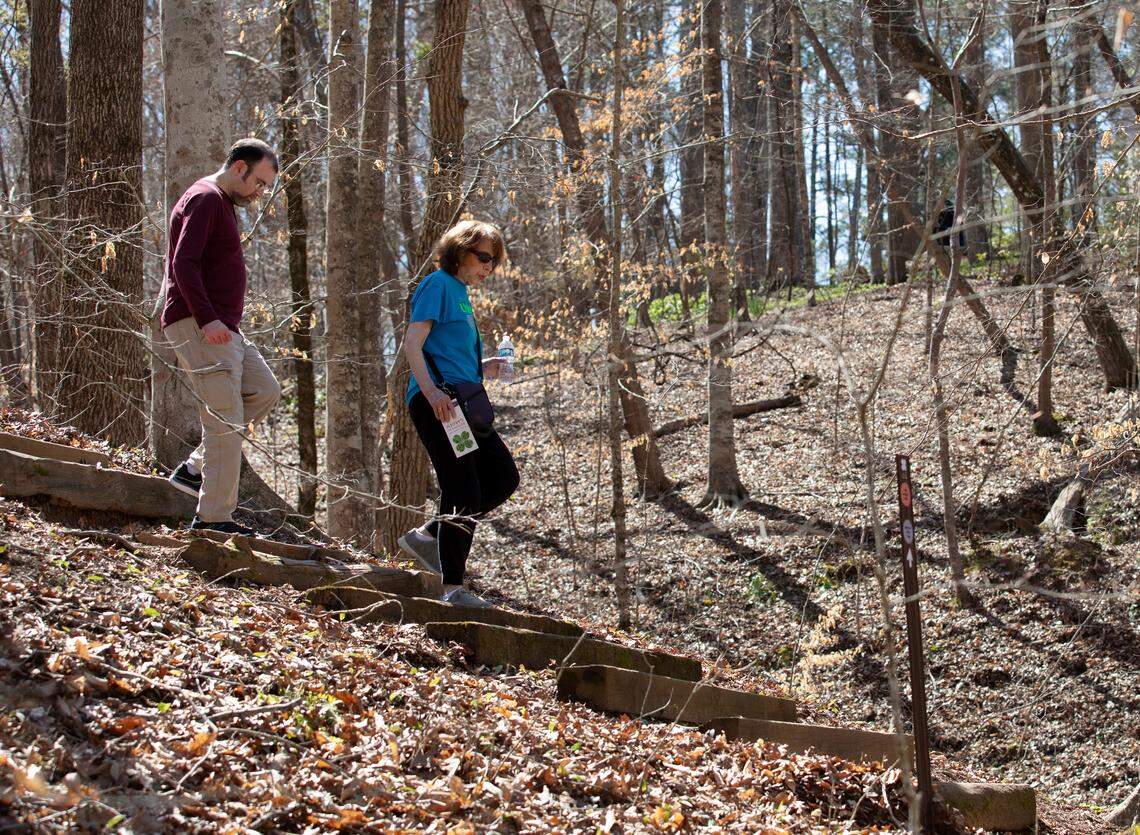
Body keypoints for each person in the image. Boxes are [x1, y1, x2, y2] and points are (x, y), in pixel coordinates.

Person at [160, 138, 282, 535]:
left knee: (264, 389)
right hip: (201, 325)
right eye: (260, 182)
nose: (261, 193)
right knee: (225, 422)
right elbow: (184, 262)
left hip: (224, 329)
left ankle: (194, 469)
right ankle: (213, 519)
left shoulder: (221, 204)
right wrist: (208, 319)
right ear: (240, 168)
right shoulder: (207, 198)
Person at [398, 220, 519, 607]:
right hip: (442, 403)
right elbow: (412, 343)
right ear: (459, 249)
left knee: (501, 478)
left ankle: (429, 534)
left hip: (463, 401)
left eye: (494, 262)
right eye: (483, 256)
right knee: (462, 488)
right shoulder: (438, 284)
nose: (488, 266)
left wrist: (484, 367)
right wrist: (432, 392)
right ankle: (452, 588)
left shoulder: (462, 295)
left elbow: (448, 354)